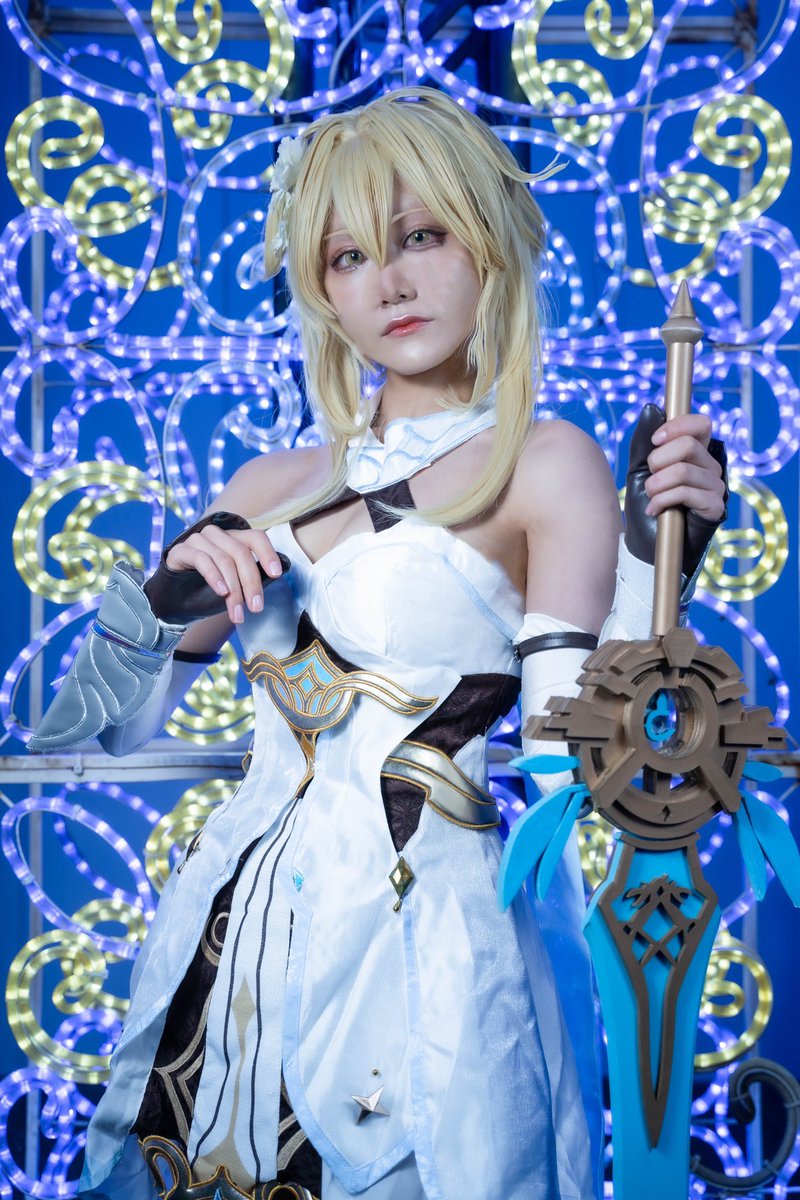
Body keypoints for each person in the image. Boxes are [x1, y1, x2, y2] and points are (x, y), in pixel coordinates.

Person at [29, 87, 726, 1200]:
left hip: (421, 942)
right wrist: (162, 596)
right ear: (322, 292)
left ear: (485, 241)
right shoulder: (266, 482)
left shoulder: (544, 462)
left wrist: (653, 560)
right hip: (234, 932)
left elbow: (573, 766)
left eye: (421, 237)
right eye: (348, 256)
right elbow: (95, 734)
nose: (388, 282)